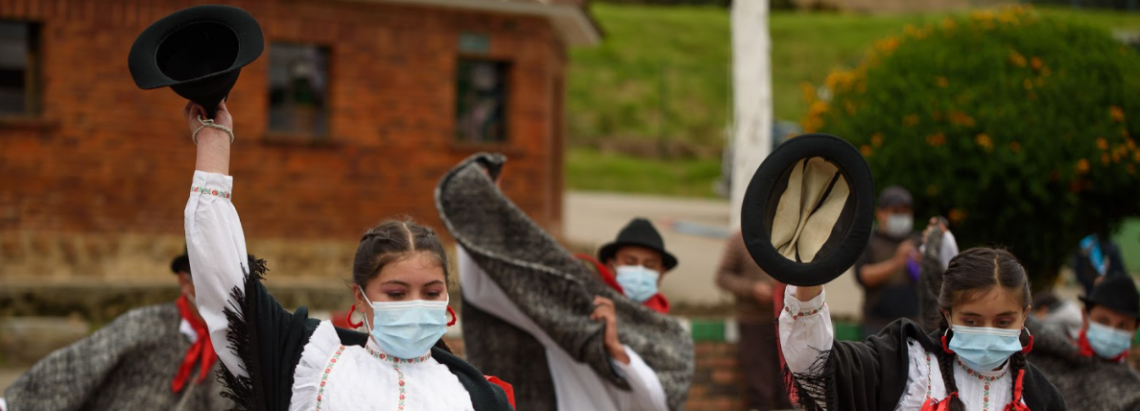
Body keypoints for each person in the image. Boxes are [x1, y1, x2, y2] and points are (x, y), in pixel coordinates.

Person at [181, 101, 514, 411]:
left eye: (431, 292)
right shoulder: (314, 362)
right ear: (360, 297)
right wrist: (214, 142)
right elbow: (230, 292)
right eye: (396, 293)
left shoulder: (478, 396)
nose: (416, 304)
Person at [438, 154, 692, 411]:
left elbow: (662, 404)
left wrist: (616, 350)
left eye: (649, 265)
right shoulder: (577, 310)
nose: (639, 270)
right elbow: (491, 292)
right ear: (613, 264)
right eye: (631, 261)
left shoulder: (672, 336)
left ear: (662, 273)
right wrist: (483, 213)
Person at [782, 247, 1066, 410]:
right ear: (948, 314)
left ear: (1025, 316)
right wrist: (808, 280)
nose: (988, 332)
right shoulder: (906, 365)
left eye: (1004, 322)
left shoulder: (1041, 398)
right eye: (971, 320)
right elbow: (817, 368)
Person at [0, 251, 226, 411]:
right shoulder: (144, 325)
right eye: (209, 279)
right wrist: (14, 404)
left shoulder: (239, 345)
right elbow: (79, 365)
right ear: (185, 282)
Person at [1018, 274, 1140, 410]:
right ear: (1085, 317)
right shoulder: (1049, 348)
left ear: (1134, 330)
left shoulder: (1133, 392)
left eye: (1122, 325)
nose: (1111, 330)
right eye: (1103, 321)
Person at [714, 229, 792, 411]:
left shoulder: (792, 235)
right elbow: (722, 277)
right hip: (754, 322)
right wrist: (752, 289)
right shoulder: (739, 240)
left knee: (788, 390)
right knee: (760, 389)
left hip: (790, 323)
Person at [855, 185, 922, 338]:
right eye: (896, 212)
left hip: (914, 323)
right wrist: (897, 262)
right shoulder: (869, 241)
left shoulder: (917, 241)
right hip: (877, 325)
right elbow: (864, 275)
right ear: (881, 213)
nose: (902, 216)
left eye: (905, 212)